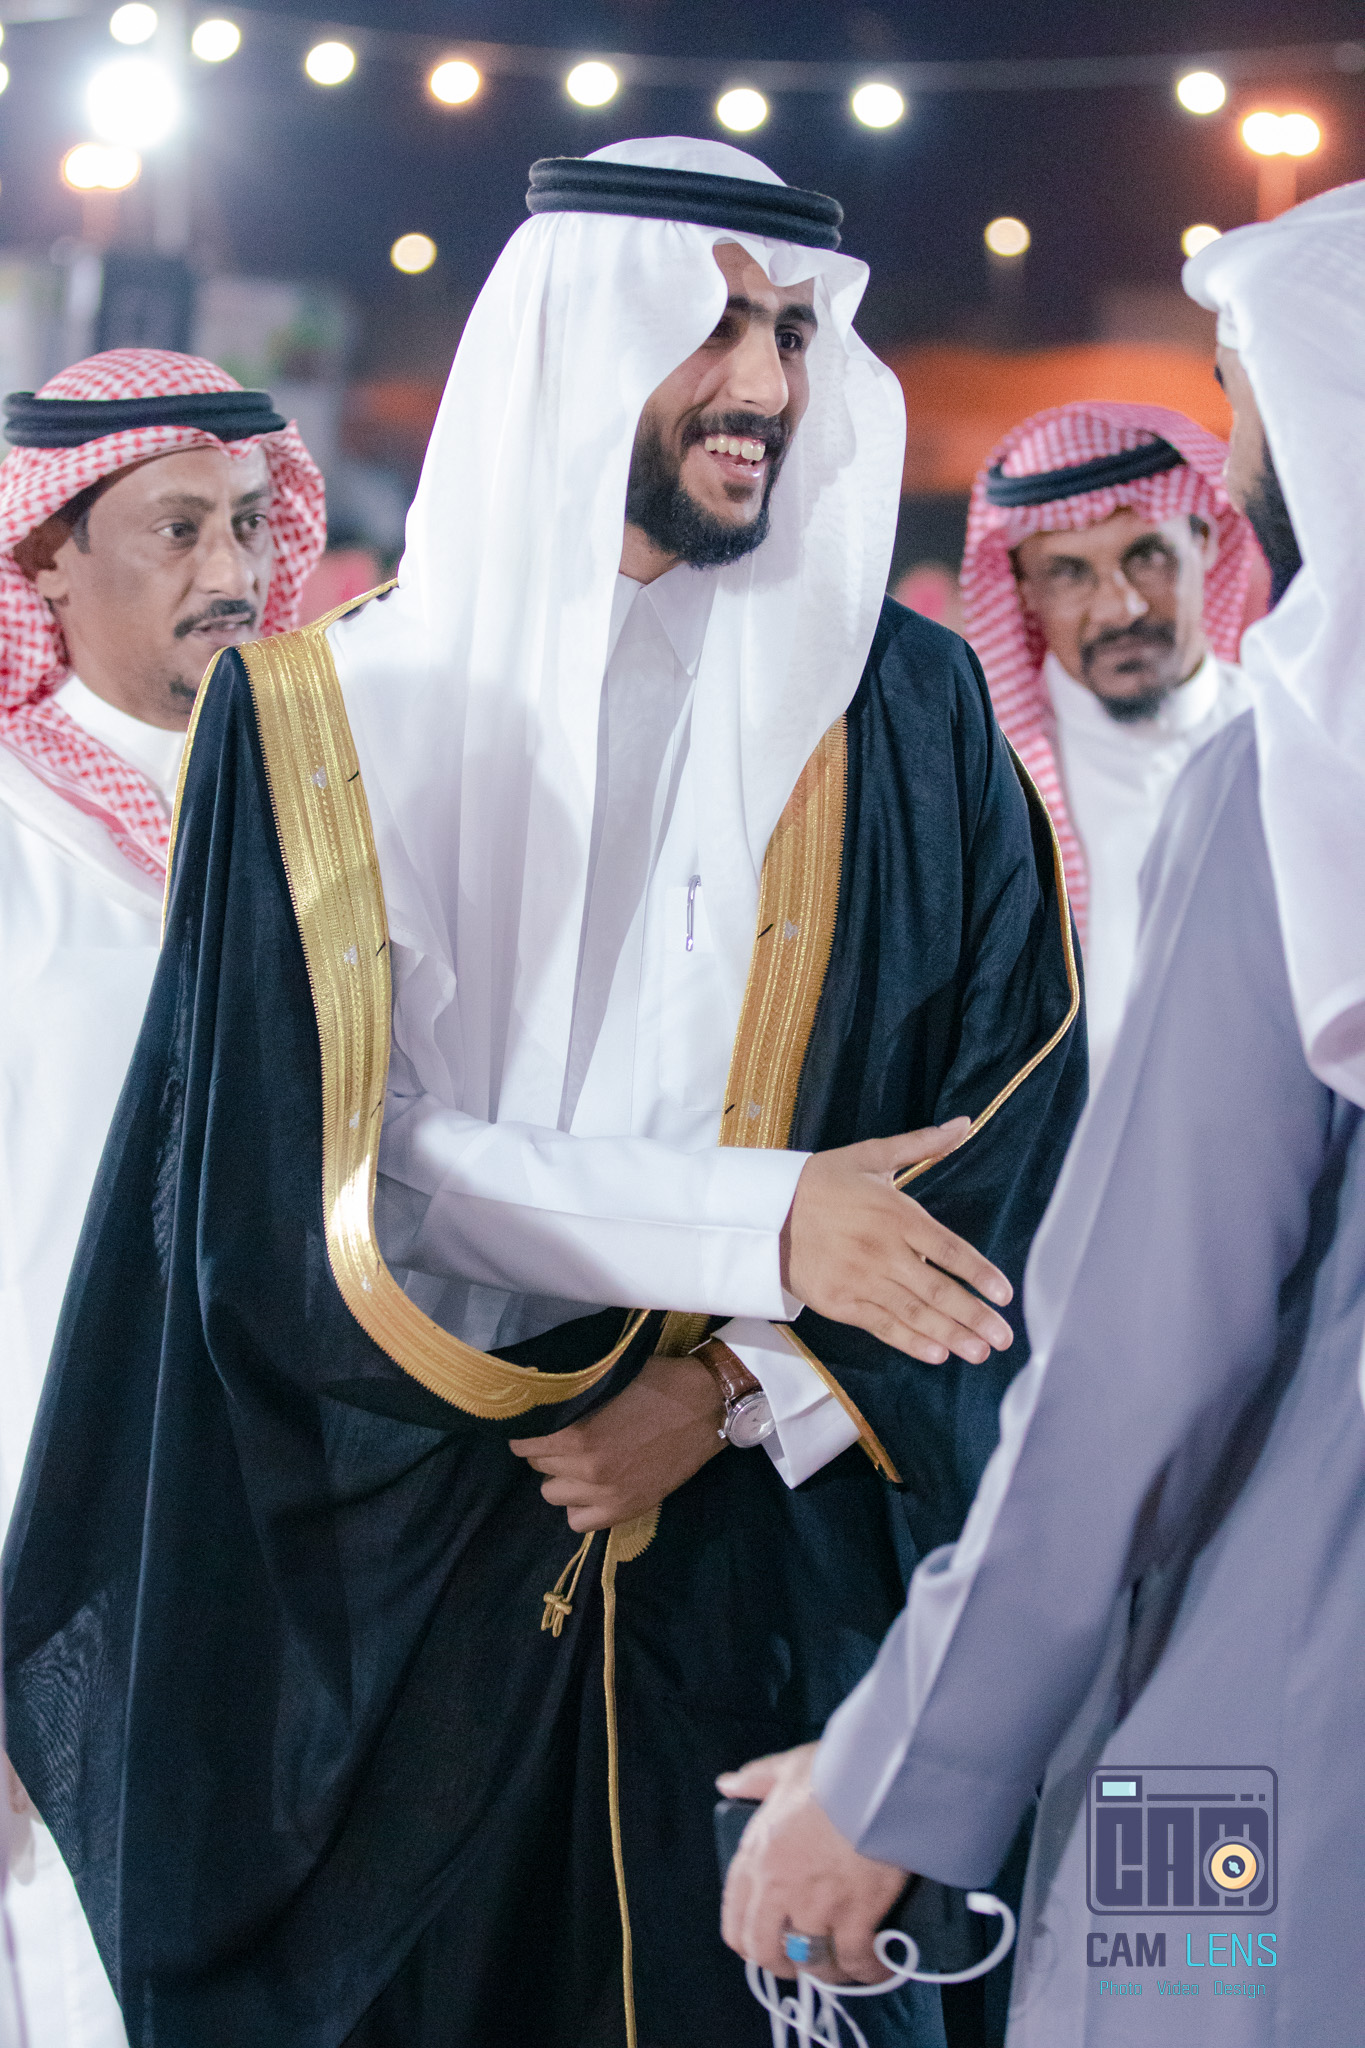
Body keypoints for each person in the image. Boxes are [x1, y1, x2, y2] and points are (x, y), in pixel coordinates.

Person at [3, 140, 1084, 2048]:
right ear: (583, 342)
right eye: (713, 326)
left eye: (793, 331)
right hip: (404, 1569)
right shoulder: (324, 716)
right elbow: (321, 1161)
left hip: (773, 1563)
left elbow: (1007, 1133)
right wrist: (768, 1222)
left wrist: (734, 1381)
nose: (766, 381)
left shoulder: (908, 717)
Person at [719, 181, 1365, 2046]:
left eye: (1252, 394)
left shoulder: (1290, 779)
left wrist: (891, 1774)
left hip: (1269, 1684)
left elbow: (1143, 1362)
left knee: (1166, 1972)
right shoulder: (1008, 798)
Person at [0, 348, 324, 2048]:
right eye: (178, 527)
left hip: (294, 1541)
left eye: (253, 524)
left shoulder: (320, 820)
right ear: (46, 555)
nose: (233, 568)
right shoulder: (14, 832)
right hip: (51, 1554)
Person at [961, 401, 1256, 1080]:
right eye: (1069, 572)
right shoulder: (975, 781)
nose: (1119, 608)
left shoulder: (1294, 740)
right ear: (1022, 588)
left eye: (1146, 556)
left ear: (1206, 541)